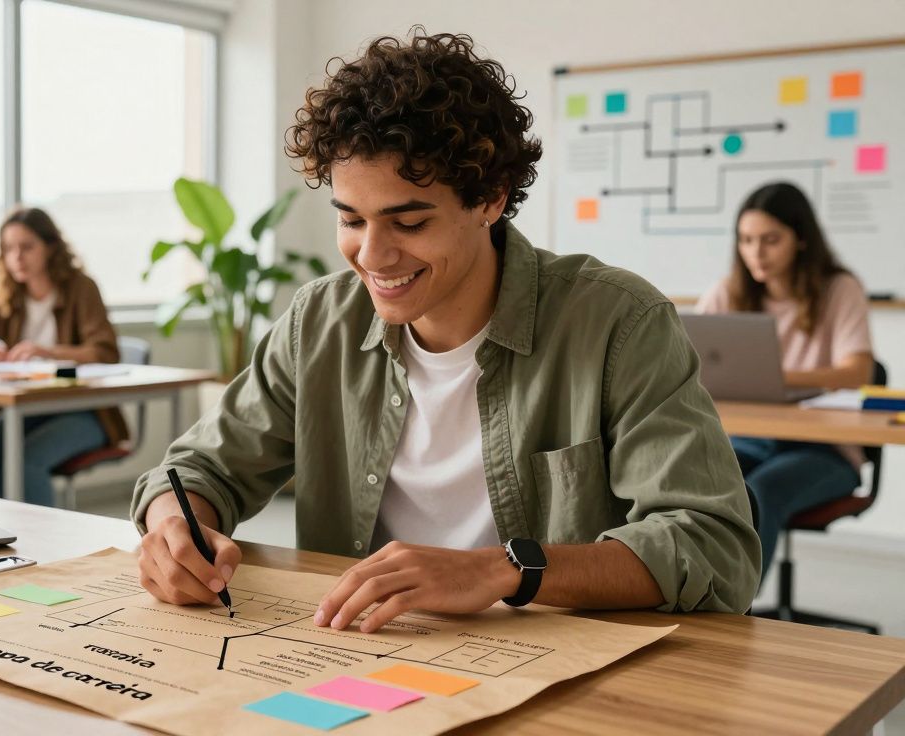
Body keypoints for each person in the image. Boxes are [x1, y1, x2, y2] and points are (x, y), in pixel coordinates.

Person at [131, 31, 760, 632]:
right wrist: (173, 529)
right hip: (360, 653)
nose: (371, 256)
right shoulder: (318, 323)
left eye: (409, 223)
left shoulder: (618, 322)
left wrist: (504, 570)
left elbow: (712, 545)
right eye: (351, 220)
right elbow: (196, 471)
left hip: (557, 663)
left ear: (491, 198)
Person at [698, 181, 873, 580]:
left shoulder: (839, 289)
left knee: (762, 491)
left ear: (801, 239)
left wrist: (775, 377)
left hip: (825, 450)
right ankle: (691, 591)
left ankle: (734, 605)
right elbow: (688, 363)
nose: (756, 252)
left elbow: (858, 372)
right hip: (747, 439)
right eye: (746, 240)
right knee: (704, 484)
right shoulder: (726, 293)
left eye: (770, 240)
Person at [0, 207, 128, 504]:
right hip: (30, 410)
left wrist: (47, 352)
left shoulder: (80, 288)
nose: (17, 257)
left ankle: (39, 534)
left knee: (26, 461)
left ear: (50, 246)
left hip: (84, 411)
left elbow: (105, 352)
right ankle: (14, 526)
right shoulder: (7, 295)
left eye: (27, 247)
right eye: (9, 248)